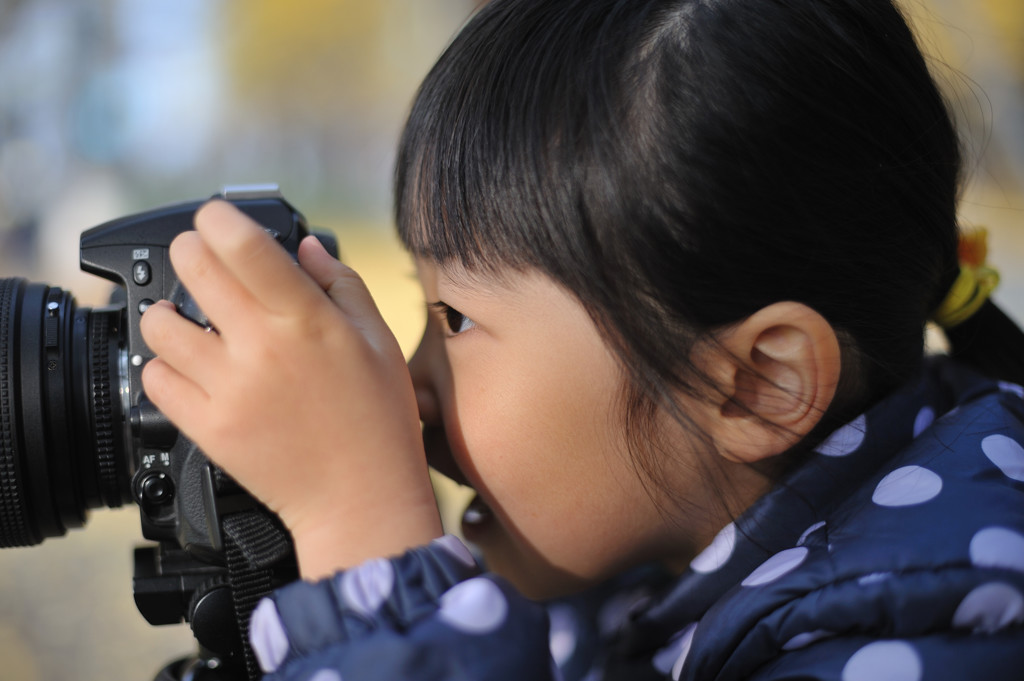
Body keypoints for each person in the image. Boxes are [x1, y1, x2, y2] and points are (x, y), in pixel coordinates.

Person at [139, 0, 1024, 679]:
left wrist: (359, 524)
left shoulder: (932, 627)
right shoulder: (657, 561)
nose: (408, 385)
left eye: (457, 320)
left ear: (756, 384)